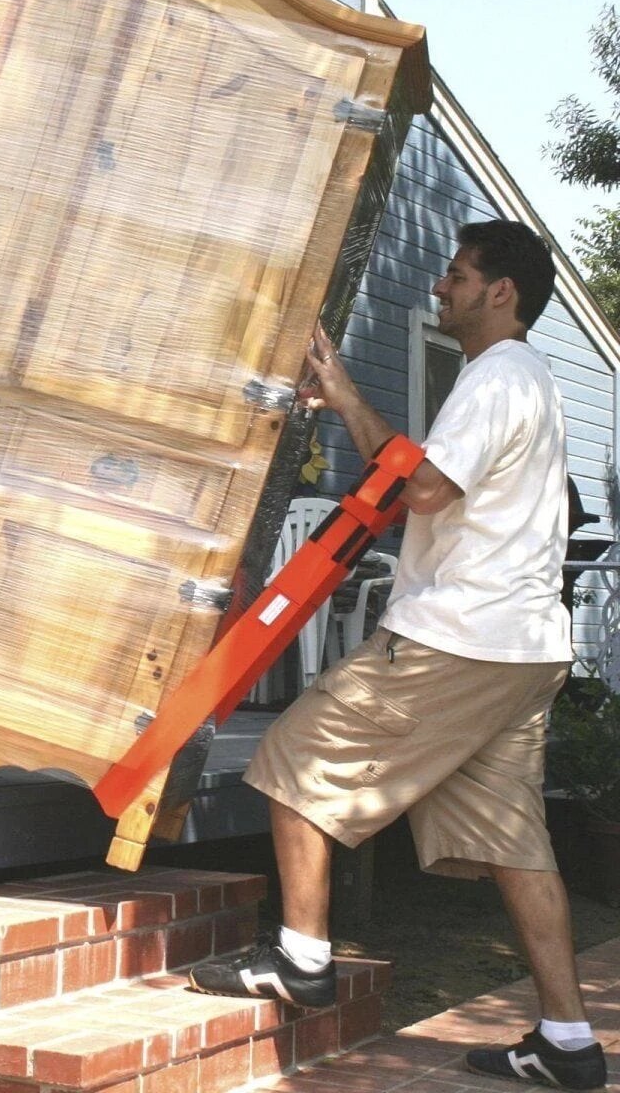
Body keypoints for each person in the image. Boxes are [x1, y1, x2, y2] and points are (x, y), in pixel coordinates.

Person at [190, 220, 608, 1092]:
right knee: (517, 844)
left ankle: (302, 956)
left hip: (460, 638)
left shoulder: (496, 377)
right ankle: (568, 1040)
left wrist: (344, 392)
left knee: (292, 760)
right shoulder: (533, 382)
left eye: (455, 276)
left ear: (501, 292)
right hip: (523, 648)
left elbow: (423, 487)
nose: (439, 288)